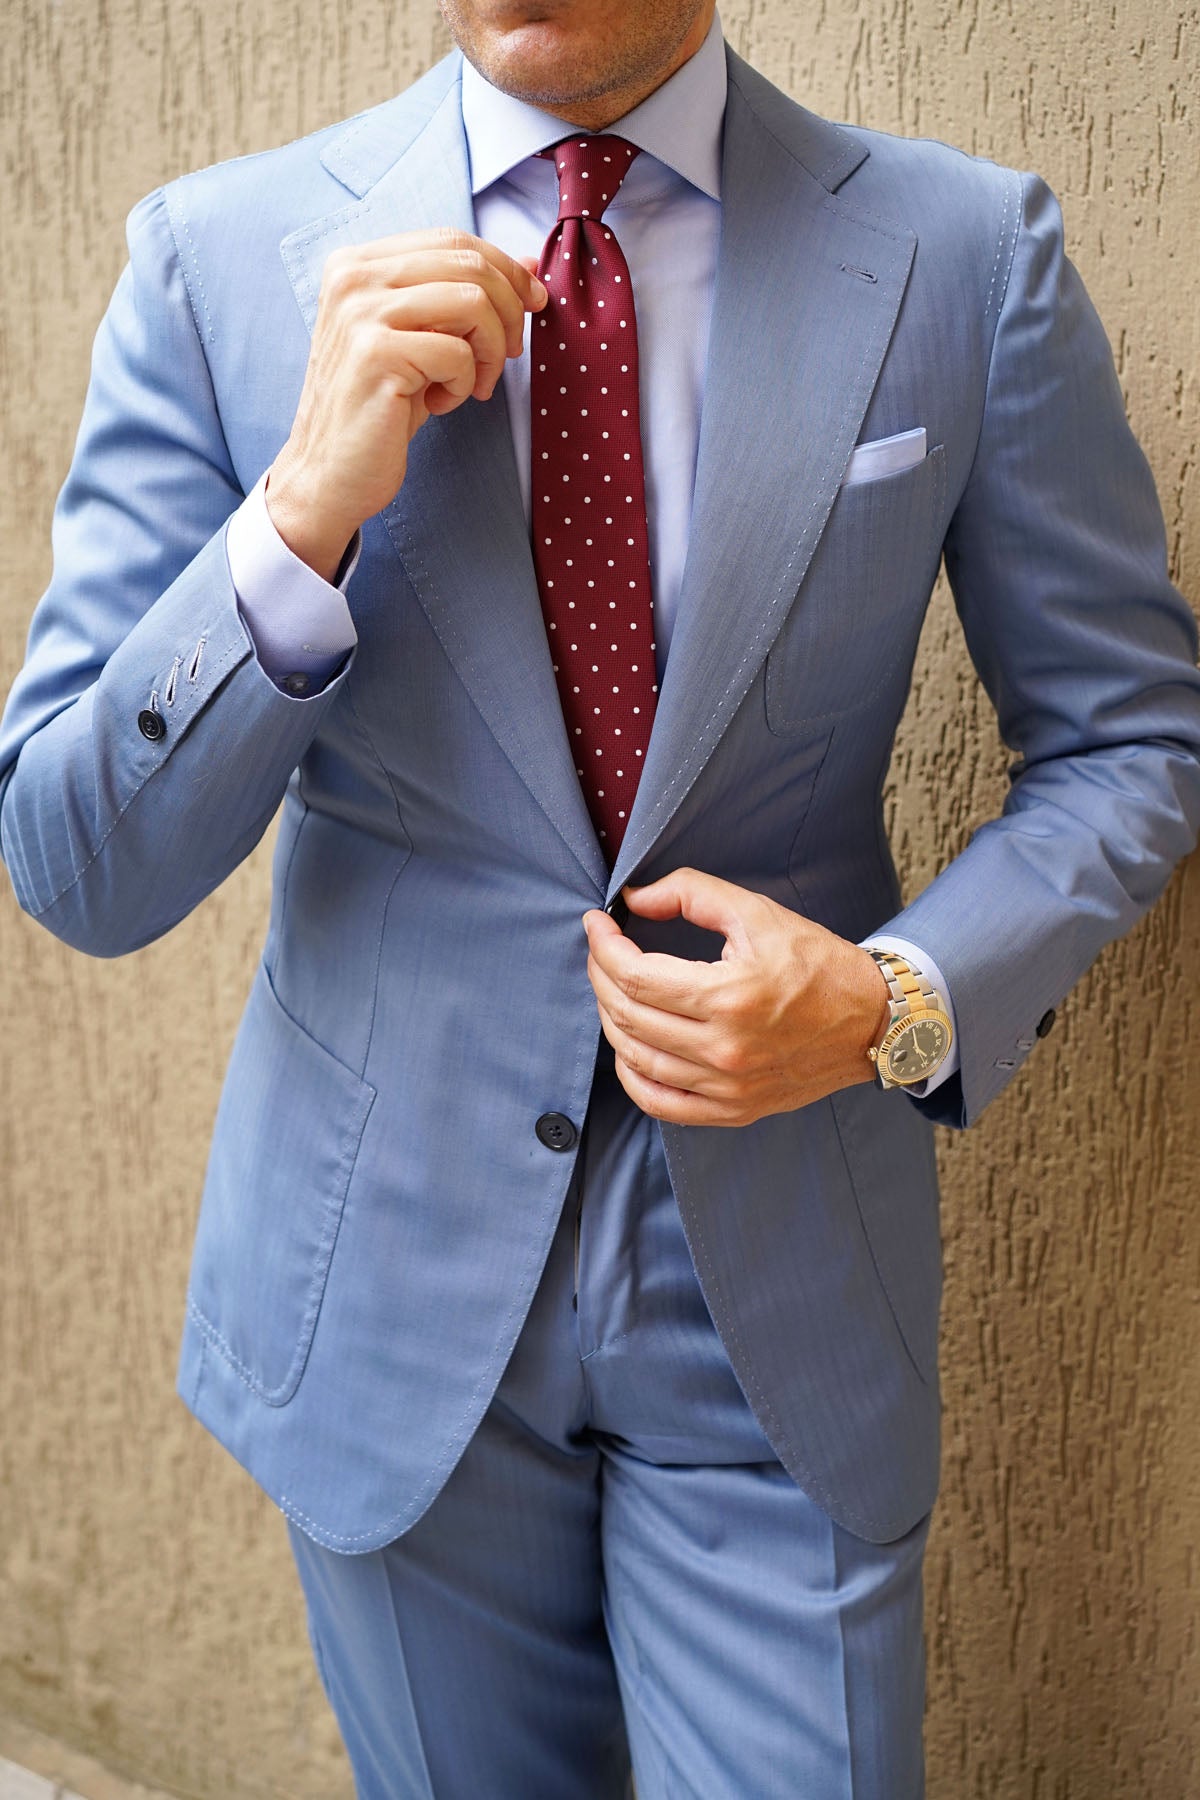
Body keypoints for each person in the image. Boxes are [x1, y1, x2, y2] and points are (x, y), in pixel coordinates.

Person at [2, 0, 1198, 1793]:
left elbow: (1127, 740)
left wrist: (895, 997)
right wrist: (298, 516)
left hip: (779, 1288)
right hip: (387, 1295)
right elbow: (78, 865)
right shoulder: (217, 261)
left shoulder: (961, 251)